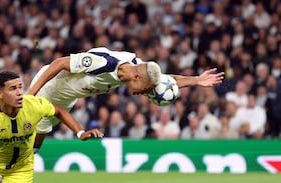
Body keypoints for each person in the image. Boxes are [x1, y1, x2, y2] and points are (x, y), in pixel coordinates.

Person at [27, 47, 224, 152]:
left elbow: (167, 80)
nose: (144, 95)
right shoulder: (103, 63)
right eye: (145, 90)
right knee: (30, 140)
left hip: (67, 99)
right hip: (49, 88)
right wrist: (31, 93)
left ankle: (0, 182)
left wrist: (196, 80)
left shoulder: (138, 68)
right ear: (137, 78)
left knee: (33, 145)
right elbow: (59, 63)